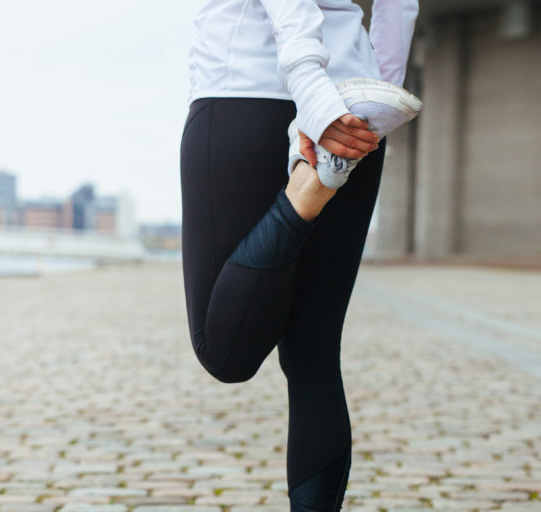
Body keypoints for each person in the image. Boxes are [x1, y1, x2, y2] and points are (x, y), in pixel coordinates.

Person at [179, 1, 420, 511]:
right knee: (313, 357)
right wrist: (376, 97)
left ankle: (305, 194)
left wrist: (312, 90)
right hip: (352, 112)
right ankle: (318, 178)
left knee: (224, 353)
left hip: (242, 92)